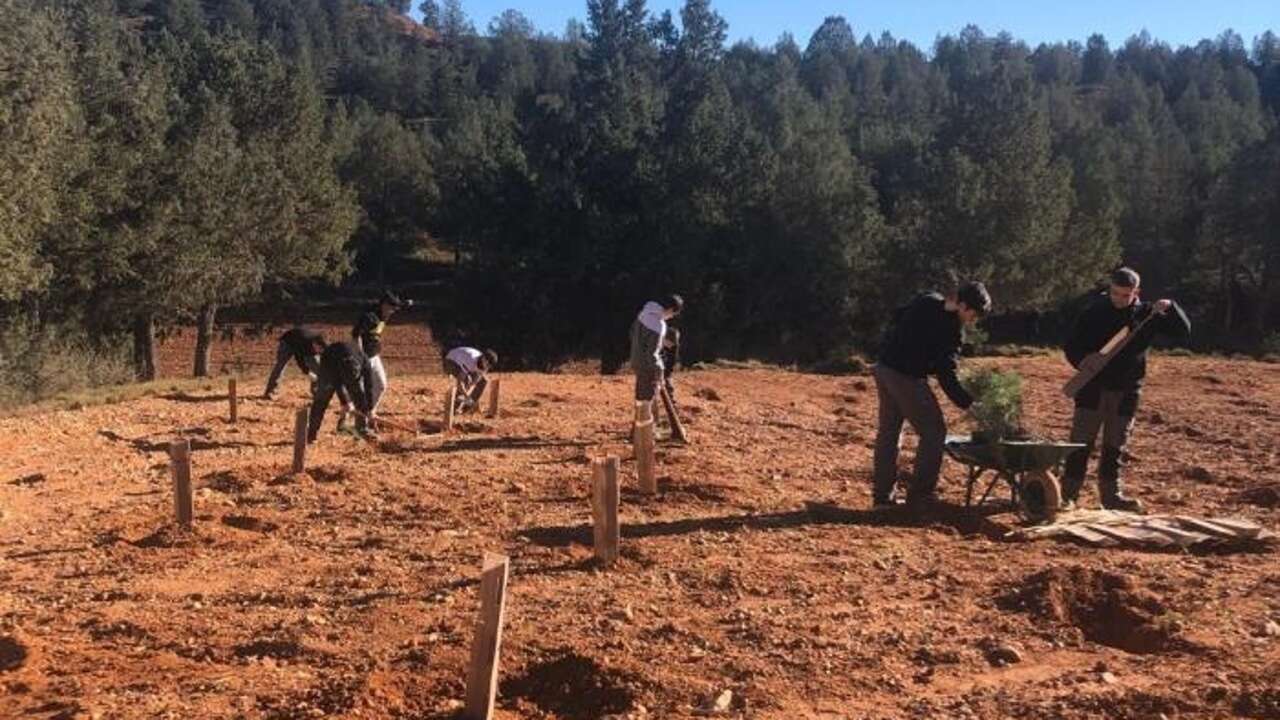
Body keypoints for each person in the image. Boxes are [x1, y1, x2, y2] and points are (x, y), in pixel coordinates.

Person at [1061, 267, 1190, 512]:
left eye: (1126, 295)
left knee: (1115, 447)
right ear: (1110, 289)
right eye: (1116, 293)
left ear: (1136, 292)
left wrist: (1171, 308)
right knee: (1080, 445)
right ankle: (1068, 495)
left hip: (1127, 391)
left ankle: (1111, 497)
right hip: (1092, 389)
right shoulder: (1093, 312)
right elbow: (1071, 346)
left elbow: (1183, 333)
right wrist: (1083, 362)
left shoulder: (1147, 315)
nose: (1120, 299)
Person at [873, 282, 992, 510]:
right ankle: (920, 498)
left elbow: (897, 315)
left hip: (884, 368)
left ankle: (882, 499)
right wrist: (968, 403)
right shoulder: (952, 330)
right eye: (973, 314)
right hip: (906, 377)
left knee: (889, 432)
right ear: (963, 305)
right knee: (934, 431)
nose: (973, 320)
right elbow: (945, 374)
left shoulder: (926, 299)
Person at [352, 291, 410, 425]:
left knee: (382, 385)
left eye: (395, 308)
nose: (393, 312)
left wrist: (408, 302)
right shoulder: (370, 317)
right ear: (384, 305)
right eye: (391, 308)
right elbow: (355, 336)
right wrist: (361, 356)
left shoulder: (385, 313)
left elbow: (400, 304)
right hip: (363, 357)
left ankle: (370, 412)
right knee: (363, 389)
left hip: (374, 356)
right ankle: (360, 421)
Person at [308, 340, 375, 443]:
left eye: (355, 378)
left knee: (359, 397)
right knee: (322, 399)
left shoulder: (365, 361)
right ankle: (311, 434)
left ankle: (362, 430)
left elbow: (368, 385)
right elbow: (336, 382)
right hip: (329, 364)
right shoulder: (335, 365)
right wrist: (344, 402)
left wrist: (370, 408)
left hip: (347, 358)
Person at [629, 295, 683, 411]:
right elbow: (652, 354)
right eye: (673, 314)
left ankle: (639, 426)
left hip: (637, 360)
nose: (671, 317)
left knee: (641, 396)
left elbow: (634, 335)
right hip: (648, 367)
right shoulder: (658, 325)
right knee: (648, 398)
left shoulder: (644, 313)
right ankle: (646, 427)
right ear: (670, 310)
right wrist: (660, 371)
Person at [263, 327, 326, 399]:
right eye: (317, 350)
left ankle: (316, 391)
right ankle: (271, 392)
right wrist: (308, 373)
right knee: (281, 366)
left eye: (320, 351)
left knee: (317, 366)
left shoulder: (321, 345)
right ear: (314, 344)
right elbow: (299, 360)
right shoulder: (304, 342)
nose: (318, 352)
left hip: (302, 344)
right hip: (287, 342)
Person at [443, 346, 499, 413]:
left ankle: (468, 407)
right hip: (451, 361)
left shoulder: (485, 366)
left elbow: (475, 381)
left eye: (489, 366)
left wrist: (470, 398)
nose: (487, 367)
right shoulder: (470, 360)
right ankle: (453, 408)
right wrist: (466, 395)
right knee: (466, 380)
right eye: (487, 364)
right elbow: (460, 382)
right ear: (483, 359)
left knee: (483, 381)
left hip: (464, 363)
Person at [660, 327, 681, 401]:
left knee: (667, 379)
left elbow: (671, 362)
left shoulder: (674, 348)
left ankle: (670, 399)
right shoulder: (657, 342)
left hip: (666, 366)